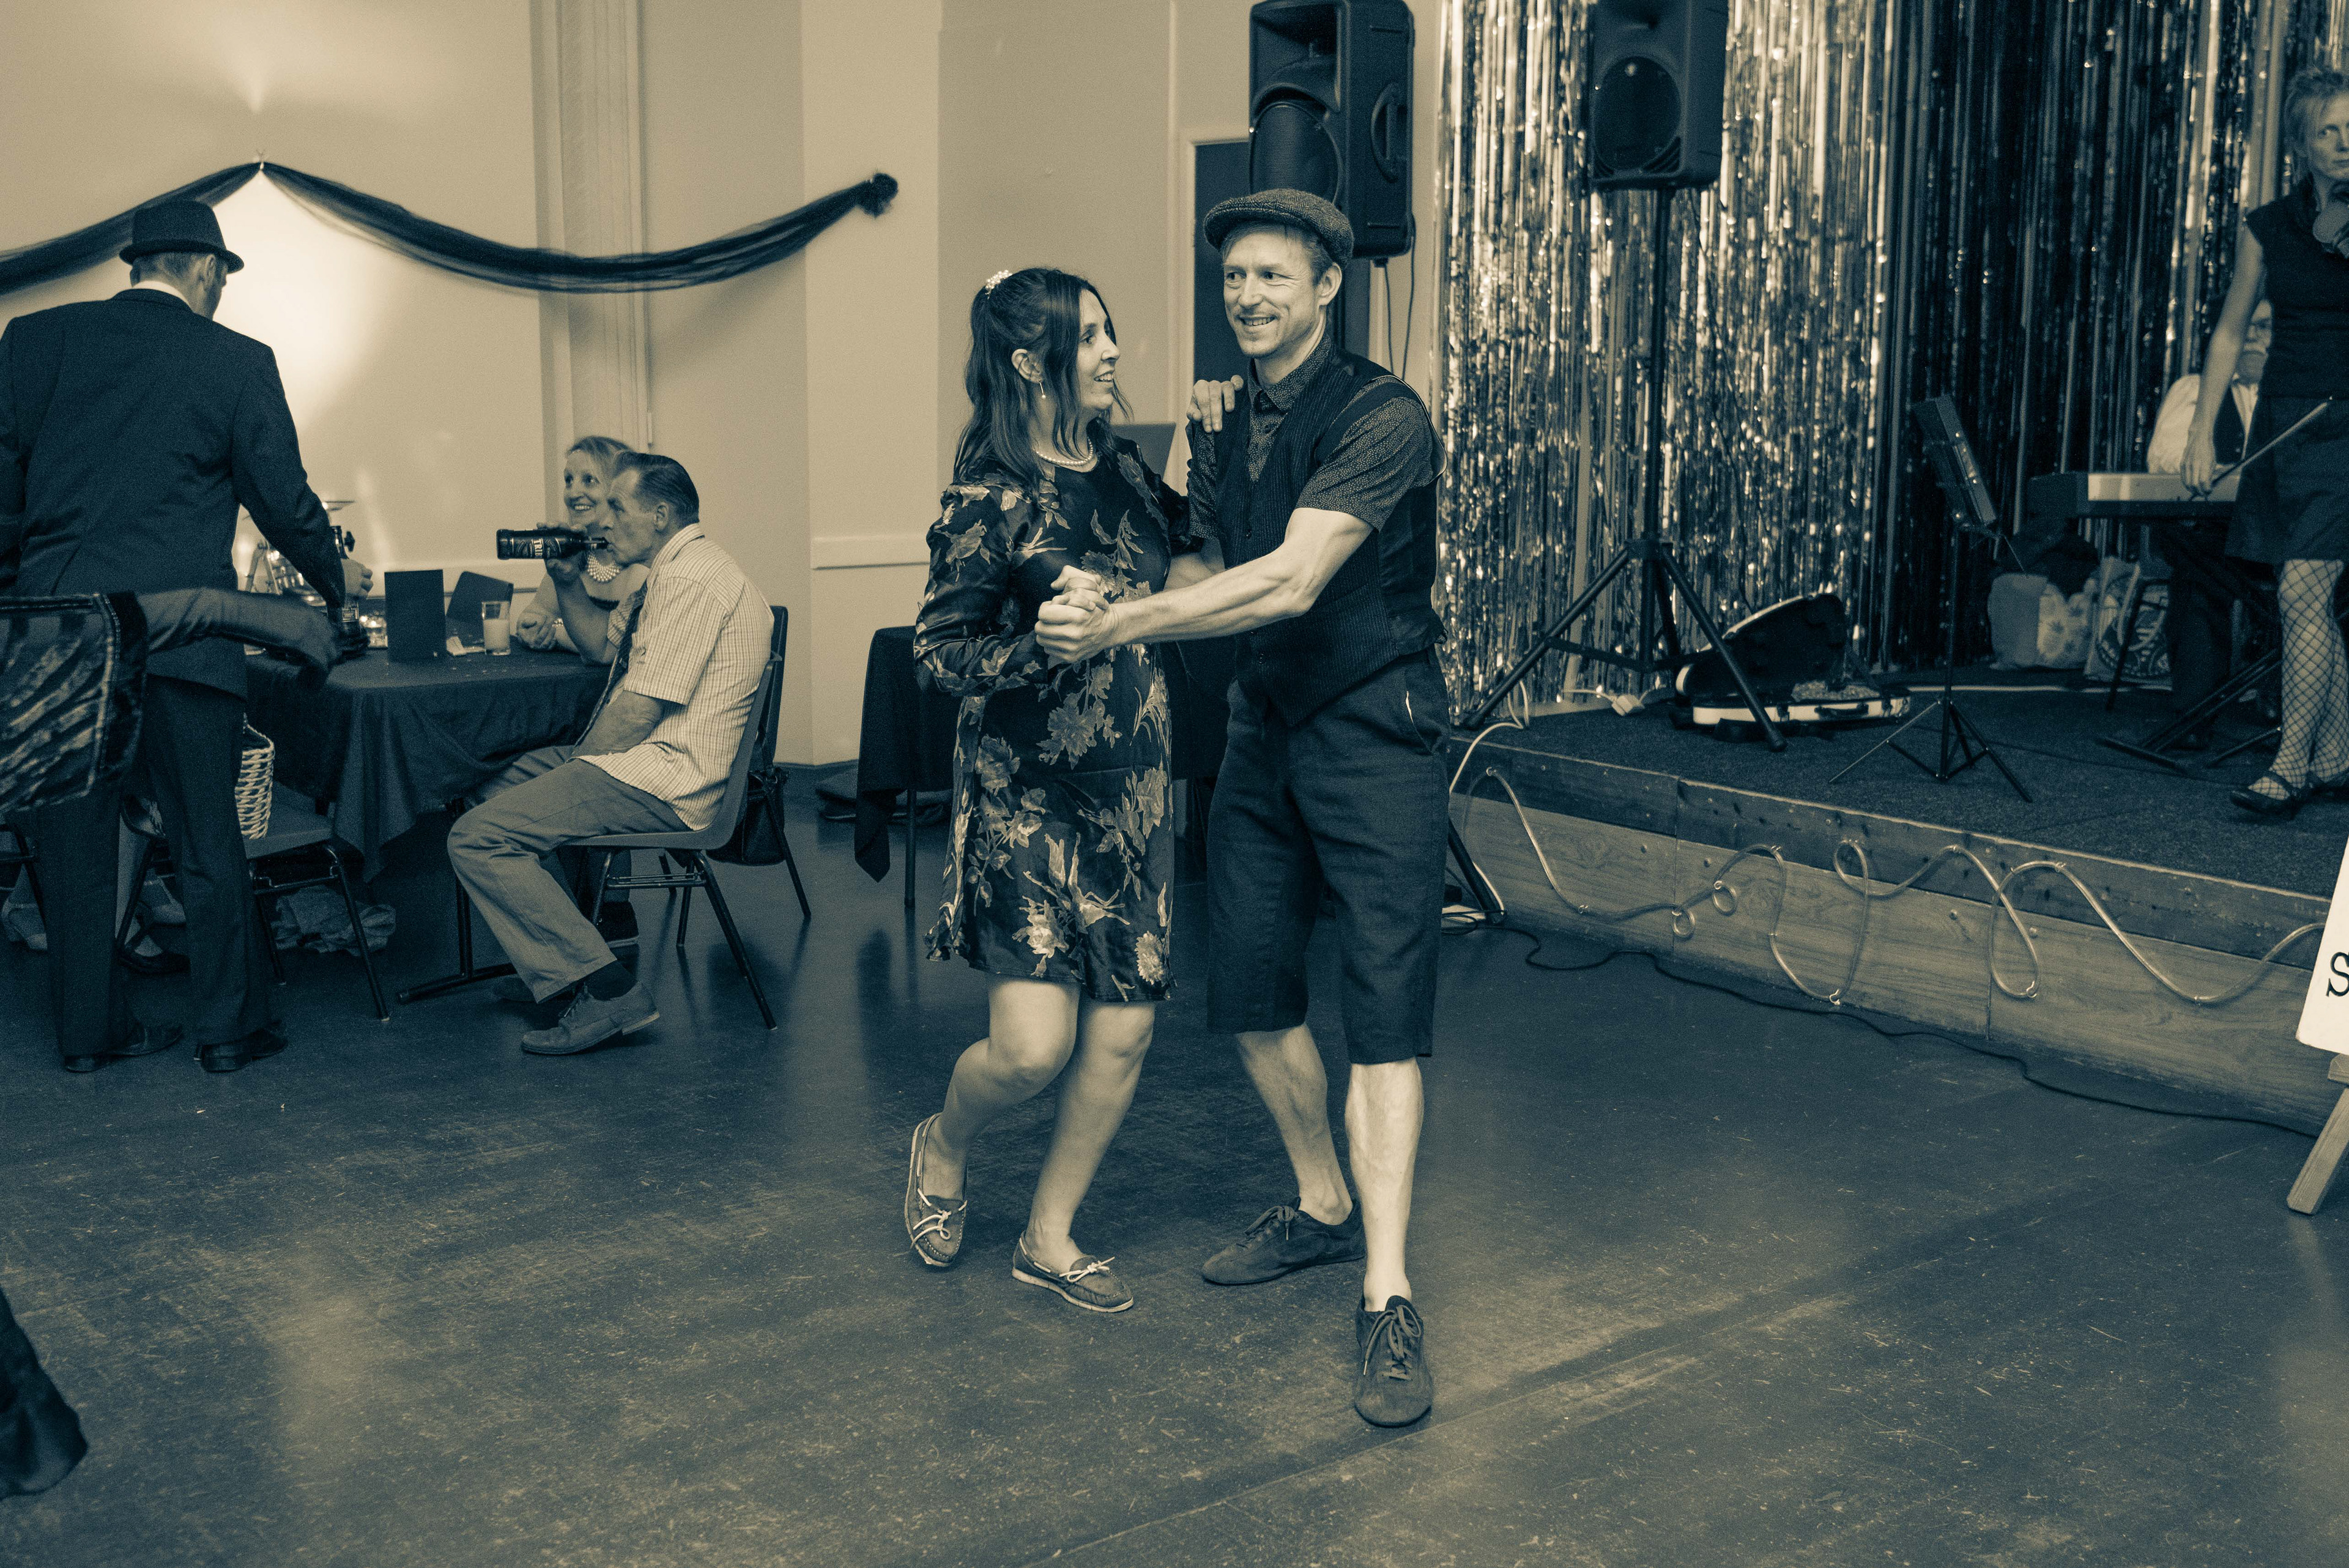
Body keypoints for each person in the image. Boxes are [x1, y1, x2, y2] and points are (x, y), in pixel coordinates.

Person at [1037, 191, 1446, 1424]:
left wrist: (1121, 624)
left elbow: (1293, 578)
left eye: (1273, 274)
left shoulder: (1384, 414)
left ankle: (1387, 1290)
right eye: (1234, 279)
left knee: (1382, 1017)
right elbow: (1208, 566)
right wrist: (1099, 575)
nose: (1250, 295)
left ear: (1327, 286)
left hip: (1377, 729)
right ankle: (1325, 1204)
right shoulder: (1219, 420)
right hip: (1263, 732)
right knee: (1257, 998)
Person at [0, 199, 360, 1074]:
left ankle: (89, 1038)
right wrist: (334, 589)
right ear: (205, 269)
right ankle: (229, 1032)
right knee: (206, 836)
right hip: (188, 640)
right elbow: (285, 503)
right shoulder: (236, 359)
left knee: (75, 851)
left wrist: (29, 604)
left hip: (64, 632)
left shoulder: (34, 340)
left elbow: (4, 491)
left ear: (140, 263)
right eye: (222, 279)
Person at [899, 267, 1197, 1315]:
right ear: (1032, 362)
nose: (1114, 351)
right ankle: (944, 1142)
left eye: (1113, 330)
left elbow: (1192, 552)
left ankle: (1049, 1234)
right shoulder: (989, 494)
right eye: (1093, 336)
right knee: (1032, 1049)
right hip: (1026, 793)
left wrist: (1219, 446)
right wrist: (1037, 644)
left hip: (1135, 784)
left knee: (1124, 1030)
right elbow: (938, 650)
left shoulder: (1124, 463)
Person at [447, 451, 767, 1055]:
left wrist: (572, 774)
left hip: (667, 778)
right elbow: (600, 647)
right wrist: (568, 583)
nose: (603, 521)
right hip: (642, 760)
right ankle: (563, 962)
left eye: (618, 508)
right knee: (488, 782)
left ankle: (608, 989)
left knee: (475, 837)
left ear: (660, 515)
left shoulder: (693, 581)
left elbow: (639, 710)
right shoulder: (665, 575)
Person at [2185, 70, 2349, 818]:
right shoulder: (2267, 228)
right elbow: (2228, 333)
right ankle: (2338, 754)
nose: (2344, 144)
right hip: (2287, 421)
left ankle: (2289, 765)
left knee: (2301, 593)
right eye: (2328, 131)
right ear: (2302, 144)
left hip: (2348, 427)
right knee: (2313, 600)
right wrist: (2201, 433)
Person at [2146, 300, 2273, 748]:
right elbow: (2164, 460)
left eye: (2265, 327)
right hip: (2218, 534)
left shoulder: (2297, 396)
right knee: (2200, 572)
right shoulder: (2196, 389)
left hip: (2283, 536)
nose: (2254, 337)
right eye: (2245, 326)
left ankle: (2299, 707)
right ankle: (2194, 715)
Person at [513, 435, 650, 655]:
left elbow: (614, 647)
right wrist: (531, 630)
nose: (573, 493)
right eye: (569, 480)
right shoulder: (572, 554)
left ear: (619, 490)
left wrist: (556, 632)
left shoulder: (640, 560)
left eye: (589, 480)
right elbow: (533, 618)